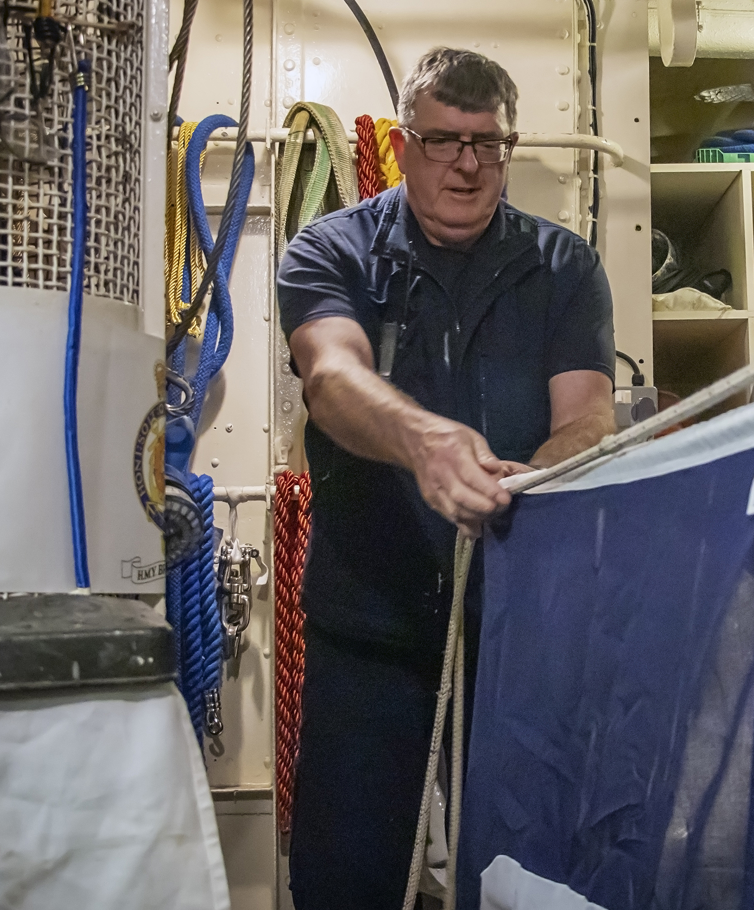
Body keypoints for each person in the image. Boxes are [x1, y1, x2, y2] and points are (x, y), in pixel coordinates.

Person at [276, 47, 617, 909]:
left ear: (508, 148)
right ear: (401, 145)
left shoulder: (563, 267)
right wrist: (425, 442)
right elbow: (332, 380)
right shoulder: (332, 251)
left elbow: (589, 416)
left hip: (513, 634)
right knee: (348, 881)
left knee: (526, 878)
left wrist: (533, 477)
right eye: (442, 141)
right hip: (369, 631)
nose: (467, 164)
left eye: (486, 143)